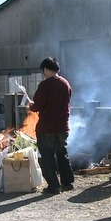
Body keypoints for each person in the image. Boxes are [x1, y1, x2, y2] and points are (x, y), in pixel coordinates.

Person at [29, 57, 74, 194]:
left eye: (43, 71)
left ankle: (53, 186)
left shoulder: (45, 85)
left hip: (47, 127)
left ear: (47, 69)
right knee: (62, 153)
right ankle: (67, 182)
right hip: (62, 126)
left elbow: (37, 106)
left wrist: (30, 105)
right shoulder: (65, 83)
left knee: (47, 156)